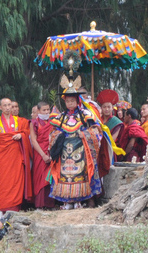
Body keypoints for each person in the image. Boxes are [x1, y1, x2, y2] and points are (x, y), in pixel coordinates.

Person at [47, 77, 103, 209]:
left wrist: (84, 134)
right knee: (65, 176)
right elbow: (52, 133)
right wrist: (59, 136)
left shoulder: (86, 115)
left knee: (82, 174)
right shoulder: (60, 118)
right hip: (65, 153)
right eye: (67, 101)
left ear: (77, 101)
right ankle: (67, 201)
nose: (70, 103)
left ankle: (82, 200)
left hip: (82, 151)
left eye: (72, 101)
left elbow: (96, 131)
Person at [0, 98, 31, 213]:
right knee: (4, 183)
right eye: (5, 105)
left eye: (10, 105)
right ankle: (3, 209)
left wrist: (21, 136)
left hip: (16, 156)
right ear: (0, 107)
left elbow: (26, 133)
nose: (8, 108)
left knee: (16, 181)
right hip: (3, 158)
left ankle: (15, 208)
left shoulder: (18, 121)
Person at [29, 101, 56, 209]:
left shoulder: (53, 122)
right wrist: (43, 155)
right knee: (40, 178)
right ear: (38, 111)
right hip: (40, 153)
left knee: (50, 177)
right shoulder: (34, 123)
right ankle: (40, 204)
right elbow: (34, 141)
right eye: (43, 110)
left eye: (48, 110)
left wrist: (52, 153)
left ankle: (50, 204)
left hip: (51, 152)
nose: (46, 112)